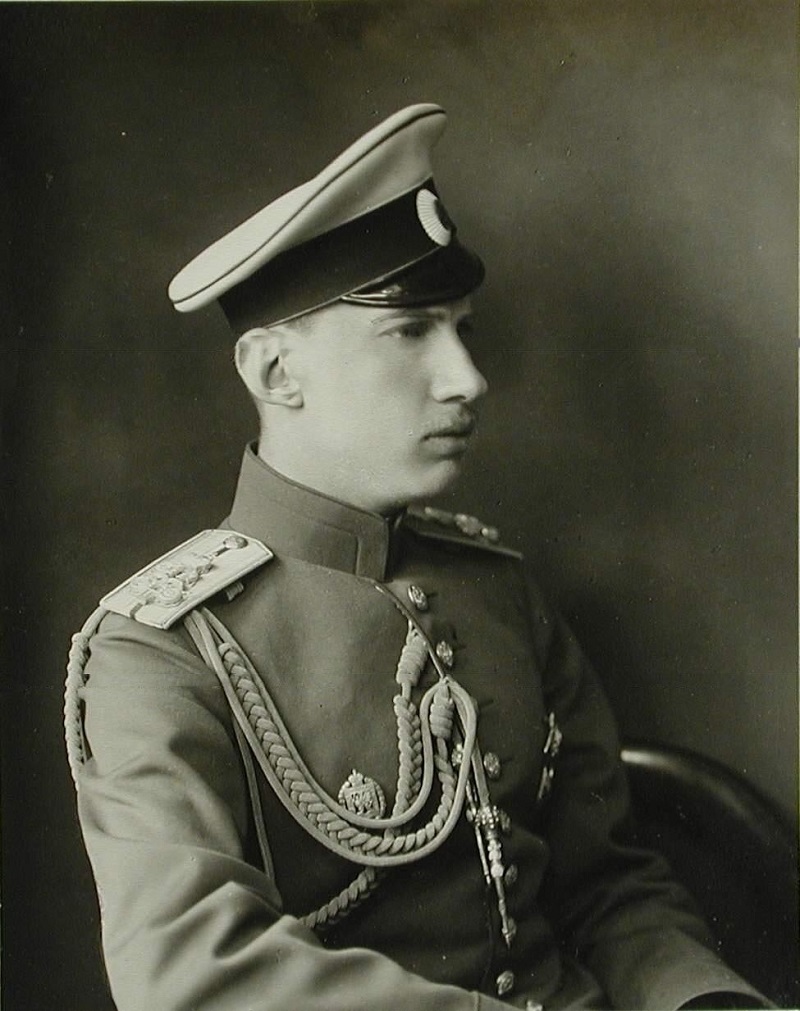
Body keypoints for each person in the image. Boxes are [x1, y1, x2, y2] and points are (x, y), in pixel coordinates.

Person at [65, 104, 767, 1011]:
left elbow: (607, 889)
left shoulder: (497, 587)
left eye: (462, 329)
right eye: (409, 331)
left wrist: (708, 1002)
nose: (468, 378)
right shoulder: (161, 651)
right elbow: (197, 976)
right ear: (276, 372)